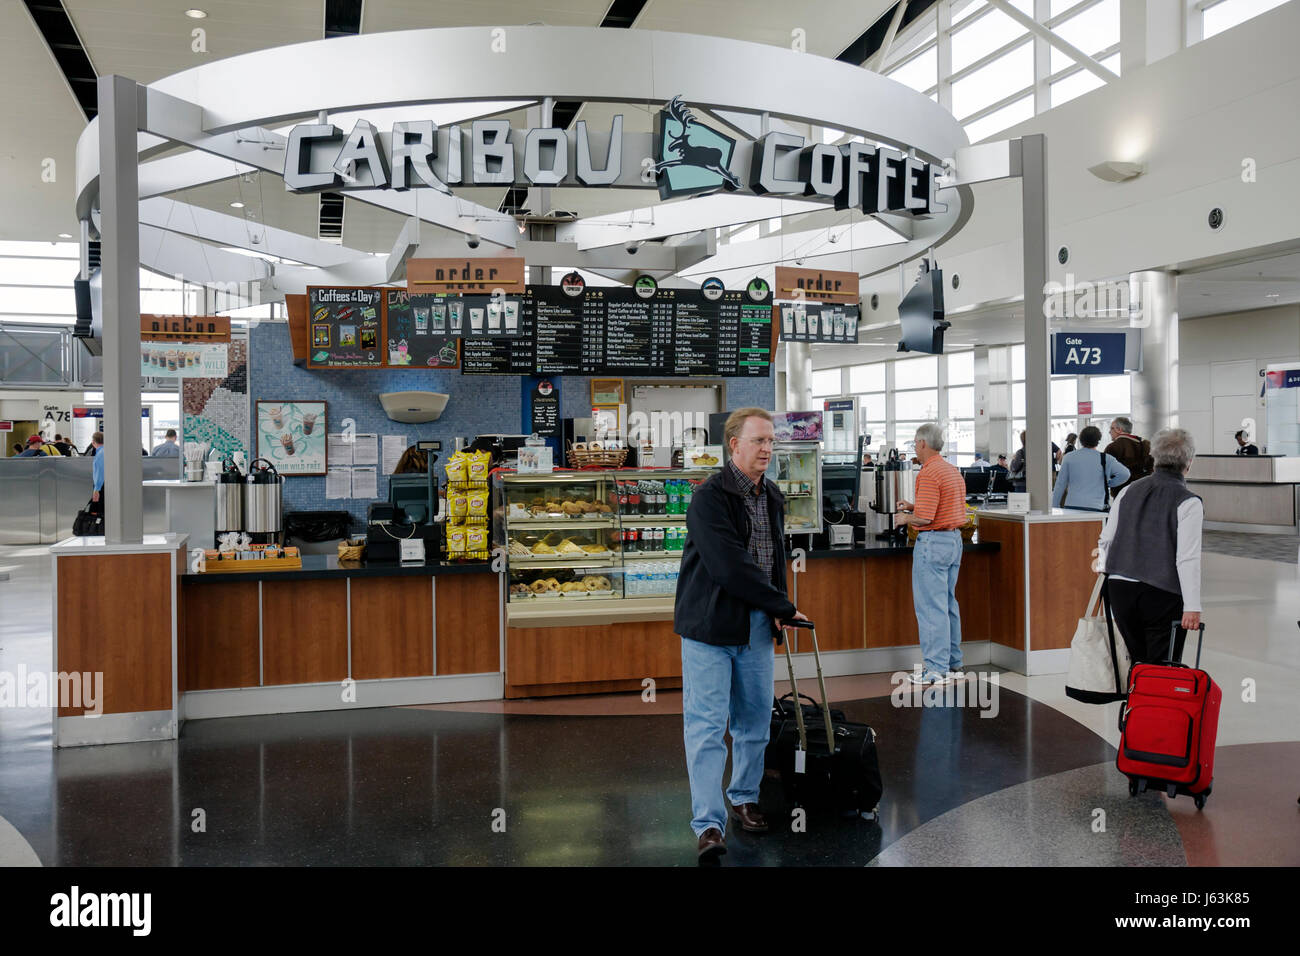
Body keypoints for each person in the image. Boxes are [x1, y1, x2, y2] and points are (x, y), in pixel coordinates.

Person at [673, 407, 807, 860]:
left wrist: (776, 609)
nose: (768, 449)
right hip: (710, 627)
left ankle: (743, 797)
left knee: (753, 723)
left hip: (754, 626)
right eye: (759, 441)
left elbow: (774, 561)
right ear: (735, 445)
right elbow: (728, 566)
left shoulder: (771, 495)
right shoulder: (708, 497)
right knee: (708, 728)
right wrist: (783, 606)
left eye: (771, 441)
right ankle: (708, 824)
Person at [1097, 428, 1202, 665]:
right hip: (1162, 593)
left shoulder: (1127, 491)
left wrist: (1107, 570)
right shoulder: (1188, 502)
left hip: (1120, 588)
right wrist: (1192, 606)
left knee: (1137, 661)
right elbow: (1187, 558)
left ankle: (1136, 701)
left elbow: (1106, 539)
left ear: (1154, 457)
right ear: (1189, 462)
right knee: (1163, 667)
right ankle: (1153, 702)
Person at [896, 423, 968, 686]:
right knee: (948, 604)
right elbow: (942, 507)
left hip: (933, 543)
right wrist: (914, 506)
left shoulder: (927, 473)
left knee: (929, 608)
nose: (915, 447)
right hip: (953, 542)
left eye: (915, 443)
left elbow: (925, 518)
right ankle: (953, 663)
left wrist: (905, 517)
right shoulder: (950, 470)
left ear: (924, 443)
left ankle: (935, 669)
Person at [1051, 425, 1130, 511]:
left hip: (1072, 505)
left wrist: (1055, 506)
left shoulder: (1069, 457)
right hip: (1096, 507)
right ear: (1098, 441)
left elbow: (1060, 484)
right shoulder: (1106, 458)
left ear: (1081, 440)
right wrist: (1109, 483)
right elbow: (1125, 474)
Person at [1102, 417, 1153, 498]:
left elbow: (1105, 470)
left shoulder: (1113, 447)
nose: (1109, 432)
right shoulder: (1145, 445)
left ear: (1119, 429)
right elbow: (1151, 468)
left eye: (1111, 428)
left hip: (1121, 492)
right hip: (1143, 490)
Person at [89, 432, 105, 514]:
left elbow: (100, 472)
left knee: (97, 512)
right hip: (105, 485)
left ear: (93, 442)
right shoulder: (107, 451)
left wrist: (96, 490)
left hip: (101, 487)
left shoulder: (100, 454)